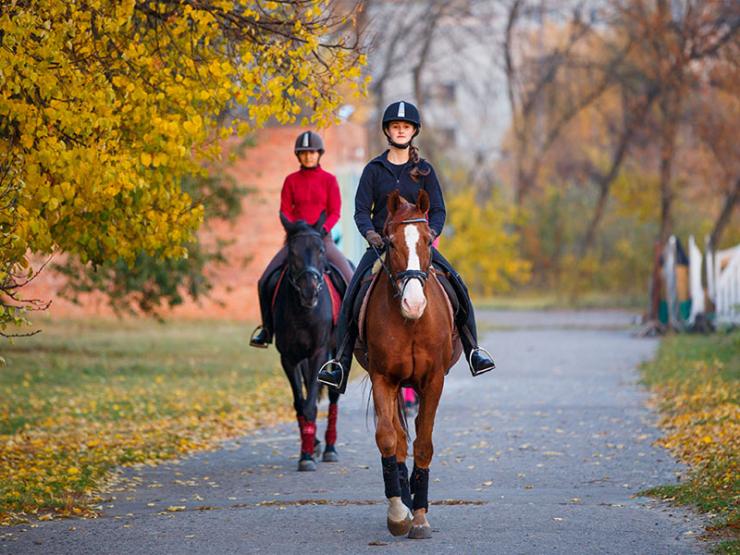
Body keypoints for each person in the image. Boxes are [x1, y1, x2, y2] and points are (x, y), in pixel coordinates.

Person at [318, 101, 496, 393]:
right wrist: (371, 235)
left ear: (413, 131)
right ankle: (339, 364)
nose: (400, 131)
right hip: (382, 246)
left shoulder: (424, 170)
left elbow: (437, 210)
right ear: (388, 130)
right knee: (352, 293)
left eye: (406, 127)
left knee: (458, 285)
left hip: (418, 246)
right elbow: (361, 210)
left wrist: (431, 233)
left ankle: (474, 350)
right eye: (395, 126)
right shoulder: (374, 169)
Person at [249, 131, 353, 348]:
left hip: (323, 241)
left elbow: (335, 211)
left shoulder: (330, 180)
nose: (308, 157)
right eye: (304, 153)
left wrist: (321, 230)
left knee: (349, 278)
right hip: (296, 243)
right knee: (264, 281)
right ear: (298, 156)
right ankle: (267, 330)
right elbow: (285, 211)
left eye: (312, 153)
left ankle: (353, 329)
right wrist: (296, 231)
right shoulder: (290, 181)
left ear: (319, 154)